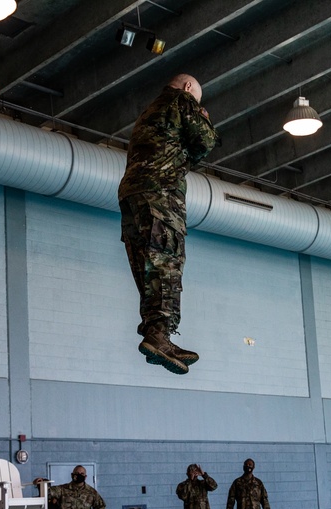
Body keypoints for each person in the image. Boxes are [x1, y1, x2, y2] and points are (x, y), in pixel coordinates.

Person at [117, 73, 219, 375]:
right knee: (167, 260)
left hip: (131, 195)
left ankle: (156, 331)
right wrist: (203, 119)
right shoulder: (181, 100)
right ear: (188, 88)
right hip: (160, 192)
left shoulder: (150, 112)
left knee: (146, 262)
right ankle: (160, 332)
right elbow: (205, 141)